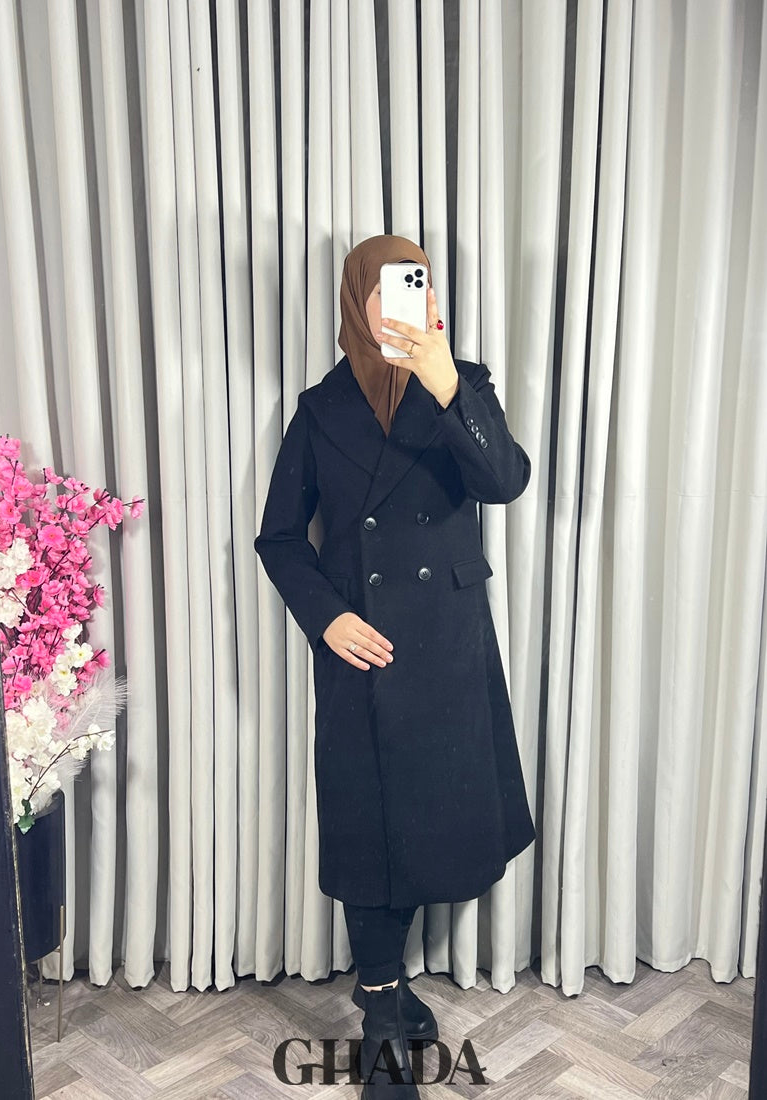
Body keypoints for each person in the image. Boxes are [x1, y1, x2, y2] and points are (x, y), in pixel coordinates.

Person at [254, 234, 535, 1096]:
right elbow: (277, 538)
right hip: (360, 645)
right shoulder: (318, 410)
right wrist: (327, 617)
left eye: (419, 285)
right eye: (388, 287)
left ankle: (387, 986)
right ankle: (381, 1010)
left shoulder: (463, 385)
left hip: (444, 643)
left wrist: (445, 383)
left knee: (425, 821)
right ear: (355, 301)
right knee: (366, 823)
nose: (408, 301)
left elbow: (504, 481)